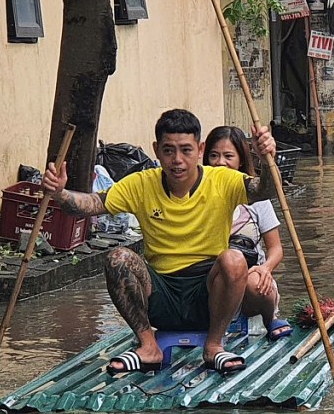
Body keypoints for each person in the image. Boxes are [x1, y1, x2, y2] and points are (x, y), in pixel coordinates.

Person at [41, 109, 277, 375]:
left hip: (208, 294)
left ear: (199, 149)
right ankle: (148, 345)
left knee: (234, 258)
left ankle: (213, 345)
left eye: (186, 150)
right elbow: (92, 204)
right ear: (156, 149)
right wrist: (60, 194)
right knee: (118, 258)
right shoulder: (141, 184)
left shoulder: (222, 180)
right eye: (168, 151)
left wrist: (267, 158)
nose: (177, 160)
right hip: (161, 292)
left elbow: (266, 190)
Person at [202, 125, 291, 341]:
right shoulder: (198, 195)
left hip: (251, 280)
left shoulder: (255, 196)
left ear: (240, 159)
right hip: (214, 281)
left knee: (256, 281)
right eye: (214, 155)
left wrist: (265, 268)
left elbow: (276, 248)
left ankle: (270, 318)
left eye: (228, 156)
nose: (220, 162)